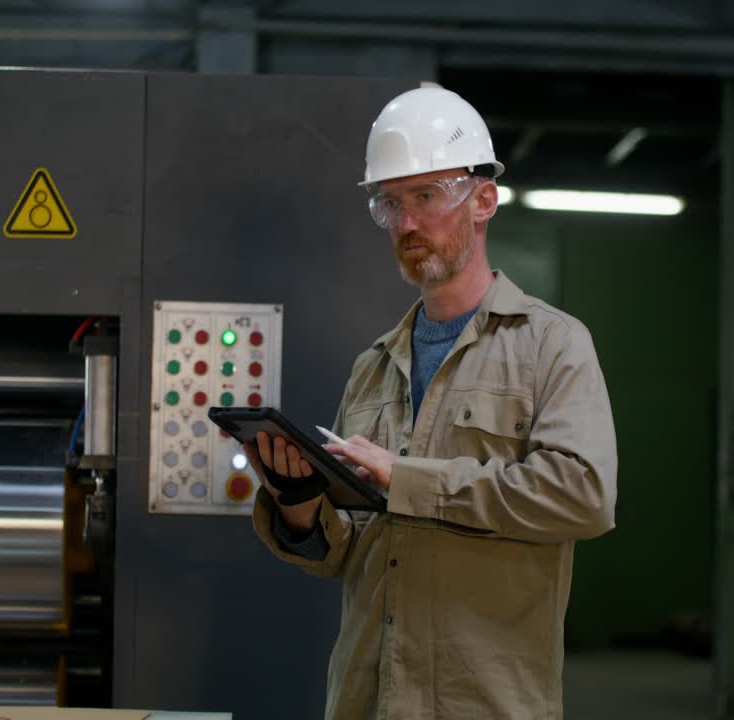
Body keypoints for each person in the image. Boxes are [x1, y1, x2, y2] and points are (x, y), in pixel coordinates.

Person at [244, 86, 618, 720]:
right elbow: (343, 552)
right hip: (368, 701)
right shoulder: (374, 368)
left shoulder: (552, 345)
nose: (406, 223)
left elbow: (582, 494)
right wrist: (299, 505)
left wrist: (409, 480)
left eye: (426, 197)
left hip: (486, 704)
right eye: (390, 203)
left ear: (483, 201)